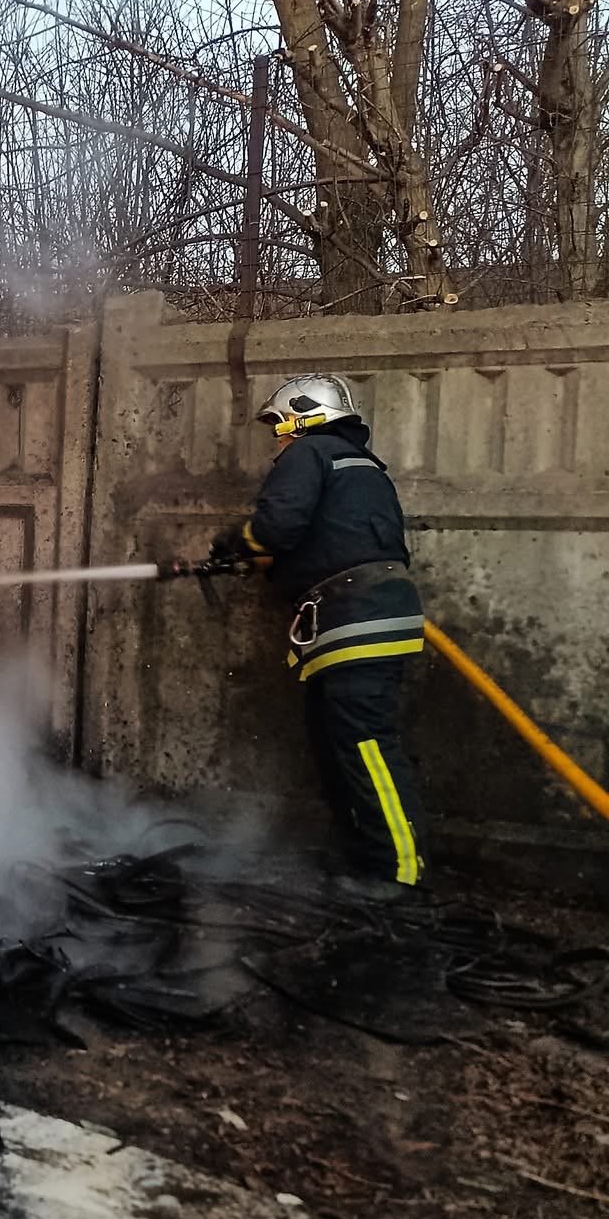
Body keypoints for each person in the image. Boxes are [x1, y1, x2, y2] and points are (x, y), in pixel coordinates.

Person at [209, 374, 427, 900]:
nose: (278, 440)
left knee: (366, 745)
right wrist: (259, 561)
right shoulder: (363, 468)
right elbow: (332, 539)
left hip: (355, 616)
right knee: (340, 746)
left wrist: (235, 541)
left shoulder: (309, 453)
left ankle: (398, 873)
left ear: (305, 416)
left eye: (280, 427)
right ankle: (364, 859)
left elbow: (278, 525)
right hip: (365, 613)